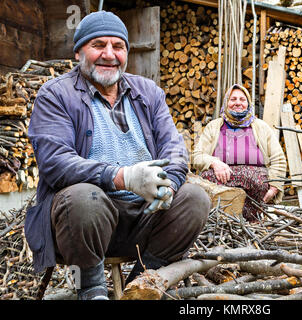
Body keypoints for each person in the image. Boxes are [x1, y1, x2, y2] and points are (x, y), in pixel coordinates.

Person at [25, 11, 210, 300]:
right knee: (86, 198)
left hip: (143, 218)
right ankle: (92, 289)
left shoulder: (148, 92)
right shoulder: (56, 95)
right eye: (98, 45)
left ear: (127, 52)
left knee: (195, 199)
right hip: (83, 224)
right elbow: (55, 161)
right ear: (78, 52)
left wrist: (169, 183)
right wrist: (123, 177)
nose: (109, 55)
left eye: (118, 46)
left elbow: (174, 147)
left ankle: (143, 282)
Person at [192, 84, 286, 221]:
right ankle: (219, 221)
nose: (238, 103)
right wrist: (214, 162)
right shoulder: (214, 127)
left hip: (256, 181)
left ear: (248, 103)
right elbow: (197, 156)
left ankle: (252, 222)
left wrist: (274, 188)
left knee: (257, 181)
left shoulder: (261, 127)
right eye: (233, 99)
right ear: (226, 102)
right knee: (206, 178)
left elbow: (278, 159)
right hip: (222, 177)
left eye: (242, 99)